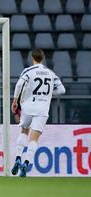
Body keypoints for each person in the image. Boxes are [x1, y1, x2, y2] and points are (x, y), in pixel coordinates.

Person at [11, 48, 65, 177]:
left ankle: (18, 157)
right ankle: (26, 163)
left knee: (24, 131)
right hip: (42, 109)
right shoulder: (50, 73)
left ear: (32, 58)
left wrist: (15, 100)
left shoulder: (28, 71)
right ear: (43, 58)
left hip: (28, 107)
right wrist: (48, 95)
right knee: (34, 139)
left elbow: (19, 84)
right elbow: (62, 90)